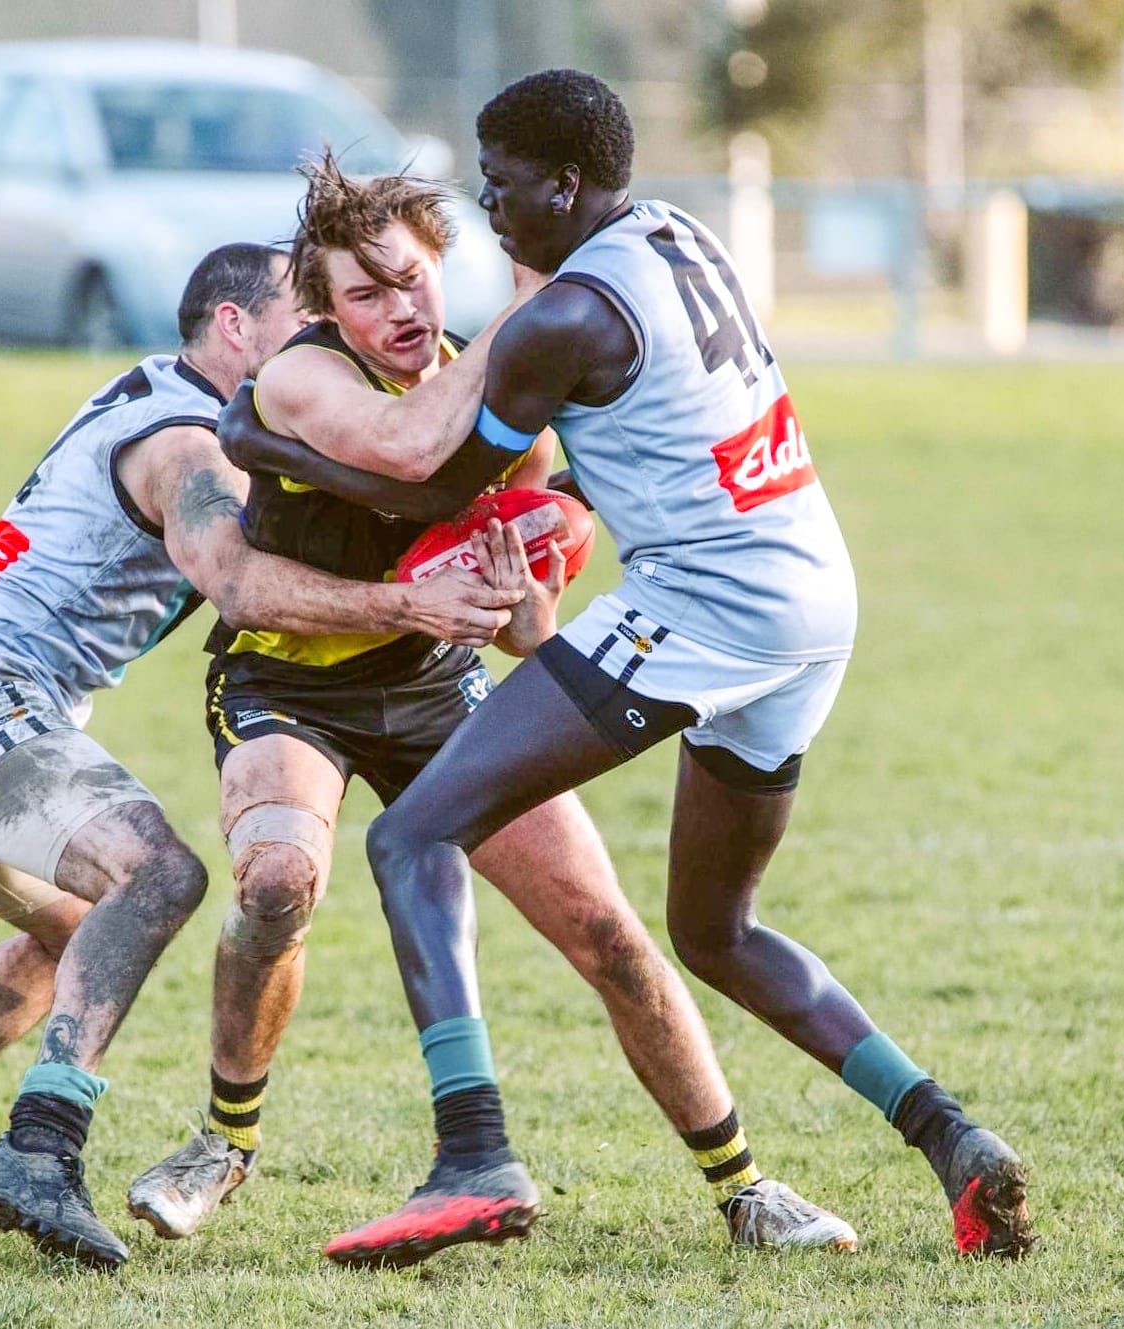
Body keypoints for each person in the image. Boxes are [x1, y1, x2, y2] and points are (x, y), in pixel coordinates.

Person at [217, 73, 1036, 1261]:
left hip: (707, 611)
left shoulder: (562, 321)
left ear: (564, 181)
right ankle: (953, 1140)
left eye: (500, 189)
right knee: (714, 930)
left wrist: (256, 437)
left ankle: (472, 1157)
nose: (490, 212)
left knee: (409, 837)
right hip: (812, 595)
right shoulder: (676, 235)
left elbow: (440, 485)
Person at [126, 154, 856, 1265]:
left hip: (434, 690)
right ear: (323, 309)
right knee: (277, 882)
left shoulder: (503, 387)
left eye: (413, 281)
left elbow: (525, 636)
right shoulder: (302, 384)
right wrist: (417, 573)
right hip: (287, 683)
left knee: (607, 933)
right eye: (364, 294)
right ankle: (222, 1142)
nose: (399, 310)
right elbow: (406, 449)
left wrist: (524, 584)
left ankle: (744, 1183)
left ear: (441, 272)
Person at [0, 243, 523, 1271]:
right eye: (299, 322)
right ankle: (41, 1148)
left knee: (76, 935)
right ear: (231, 328)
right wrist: (409, 603)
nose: (321, 347)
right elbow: (242, 586)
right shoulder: (188, 444)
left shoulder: (178, 404)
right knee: (159, 874)